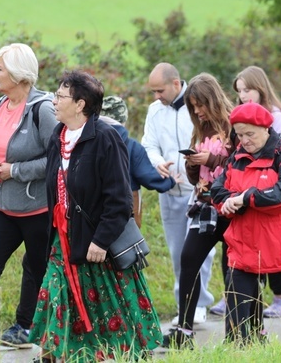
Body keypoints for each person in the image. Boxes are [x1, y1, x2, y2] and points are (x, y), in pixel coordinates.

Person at [29, 70, 162, 361]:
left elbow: (119, 199)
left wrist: (101, 241)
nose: (54, 100)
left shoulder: (105, 138)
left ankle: (111, 355)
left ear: (80, 104)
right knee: (56, 295)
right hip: (62, 240)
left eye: (61, 96)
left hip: (95, 243)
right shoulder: (57, 136)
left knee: (106, 309)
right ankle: (58, 354)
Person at [0, 44, 56, 358]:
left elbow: (57, 160)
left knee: (41, 273)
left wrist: (14, 170)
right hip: (2, 209)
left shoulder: (42, 109)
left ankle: (40, 336)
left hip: (38, 212)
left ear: (18, 75)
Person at [211, 102, 281, 344]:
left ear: (266, 129)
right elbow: (217, 189)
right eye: (240, 134)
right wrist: (229, 201)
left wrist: (245, 198)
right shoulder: (237, 157)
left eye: (250, 134)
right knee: (237, 305)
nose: (245, 140)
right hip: (245, 242)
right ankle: (240, 349)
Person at [163, 73, 234, 349]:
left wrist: (213, 158)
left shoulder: (233, 125)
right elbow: (198, 178)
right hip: (203, 206)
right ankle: (184, 330)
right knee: (188, 260)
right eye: (193, 106)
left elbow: (239, 163)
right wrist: (193, 164)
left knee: (233, 268)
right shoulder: (200, 128)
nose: (197, 111)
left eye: (200, 105)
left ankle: (239, 329)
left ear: (212, 100)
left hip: (230, 207)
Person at [143, 63, 214, 324]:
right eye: (152, 91)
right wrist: (157, 161)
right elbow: (148, 143)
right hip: (168, 189)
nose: (156, 96)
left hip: (198, 191)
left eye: (159, 90)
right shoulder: (154, 111)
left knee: (197, 251)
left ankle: (199, 304)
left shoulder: (197, 106)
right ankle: (183, 302)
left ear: (176, 84)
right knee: (177, 252)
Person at [232, 65, 281, 318]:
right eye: (239, 91)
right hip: (247, 185)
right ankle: (247, 307)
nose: (244, 95)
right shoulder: (240, 117)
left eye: (248, 89)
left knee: (275, 249)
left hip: (270, 185)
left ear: (260, 87)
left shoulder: (274, 115)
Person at [100, 95, 175, 228]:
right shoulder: (132, 146)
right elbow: (146, 176)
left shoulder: (90, 139)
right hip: (128, 200)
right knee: (128, 240)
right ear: (123, 118)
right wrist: (169, 181)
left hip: (96, 201)